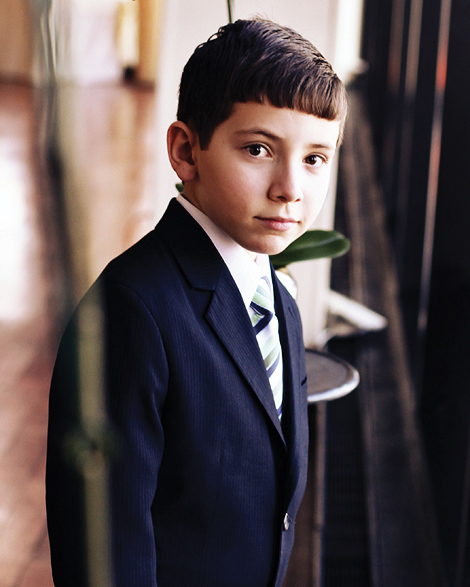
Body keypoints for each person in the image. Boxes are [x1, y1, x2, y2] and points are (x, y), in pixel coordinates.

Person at [46, 18, 347, 587]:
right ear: (186, 151)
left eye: (314, 158)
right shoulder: (133, 310)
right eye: (259, 149)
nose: (290, 187)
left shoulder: (278, 296)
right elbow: (104, 558)